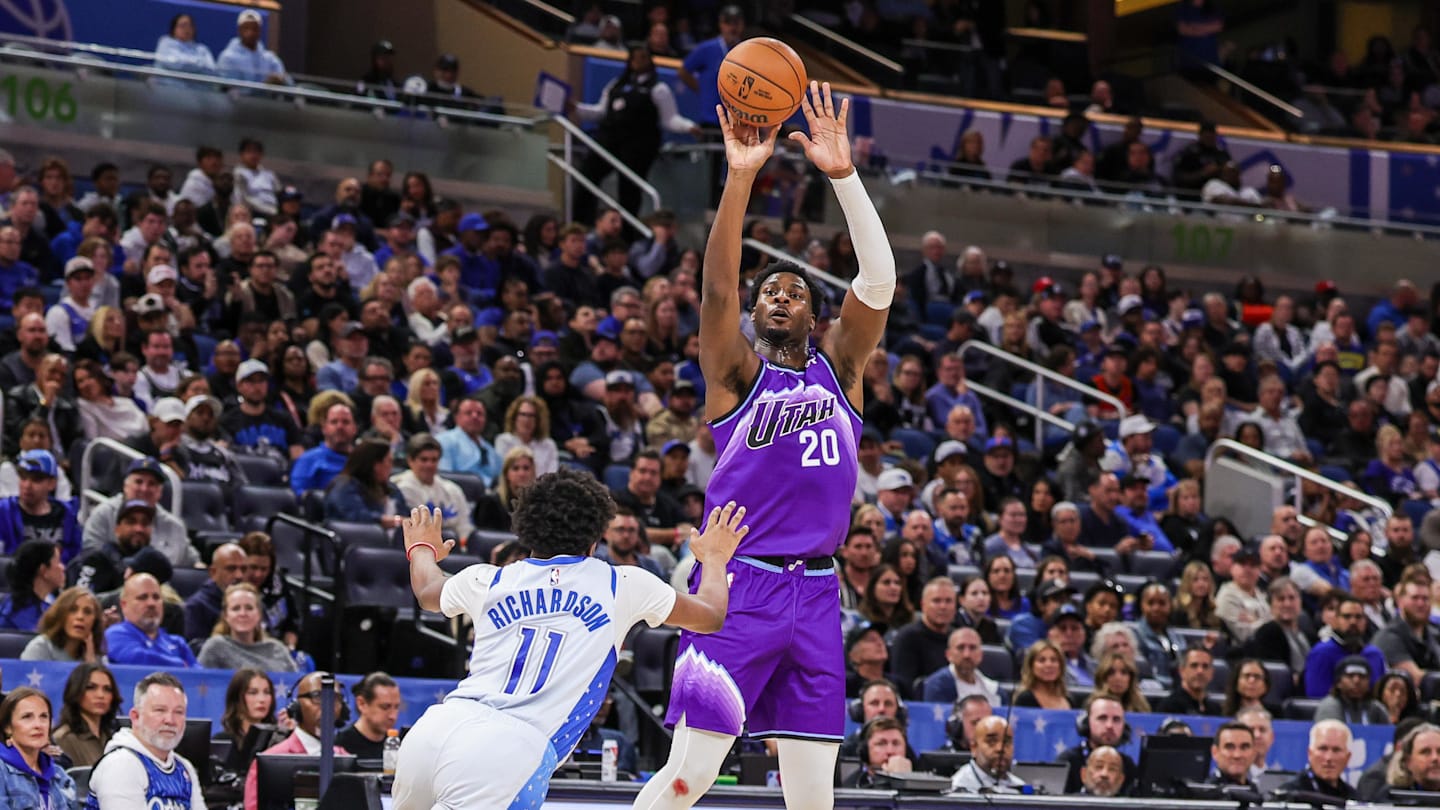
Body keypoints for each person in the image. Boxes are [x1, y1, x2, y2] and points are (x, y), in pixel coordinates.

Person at [638, 82, 894, 810]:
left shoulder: (841, 367)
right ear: (754, 316)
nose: (778, 297)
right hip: (736, 588)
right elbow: (716, 290)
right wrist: (741, 177)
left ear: (815, 314)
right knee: (688, 777)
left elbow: (879, 280)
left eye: (794, 292)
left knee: (815, 801)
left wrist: (842, 178)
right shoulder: (732, 376)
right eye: (766, 294)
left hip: (817, 591)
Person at [390, 472, 748, 808]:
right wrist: (715, 559)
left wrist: (422, 547)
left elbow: (427, 590)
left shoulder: (488, 580)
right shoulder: (622, 583)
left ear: (526, 529)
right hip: (506, 753)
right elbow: (710, 615)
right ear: (596, 535)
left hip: (433, 731)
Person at [571, 45, 698, 226]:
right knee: (588, 175)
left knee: (629, 190)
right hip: (610, 140)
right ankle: (581, 221)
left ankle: (627, 232)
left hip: (638, 146)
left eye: (643, 58)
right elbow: (600, 111)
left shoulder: (658, 89)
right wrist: (576, 109)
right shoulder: (616, 84)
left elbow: (669, 119)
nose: (638, 62)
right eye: (635, 58)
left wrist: (688, 127)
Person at [88, 673, 206, 809]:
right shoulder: (121, 764)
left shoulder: (185, 768)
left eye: (178, 712)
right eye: (160, 710)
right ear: (136, 717)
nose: (170, 720)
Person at [242, 670, 350, 809]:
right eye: (317, 696)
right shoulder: (272, 759)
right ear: (297, 706)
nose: (327, 705)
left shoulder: (344, 757)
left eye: (335, 698)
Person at [0, 687, 78, 809]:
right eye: (27, 717)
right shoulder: (2, 771)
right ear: (8, 727)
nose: (38, 725)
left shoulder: (60, 776)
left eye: (44, 716)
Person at [197, 583, 298, 672]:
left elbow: (296, 685)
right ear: (226, 616)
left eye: (249, 608)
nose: (243, 613)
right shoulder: (215, 647)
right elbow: (202, 685)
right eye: (236, 608)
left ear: (259, 614)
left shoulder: (277, 649)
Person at [105, 573, 197, 668]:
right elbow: (138, 659)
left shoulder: (177, 643)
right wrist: (181, 665)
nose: (151, 603)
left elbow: (200, 676)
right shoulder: (114, 634)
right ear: (124, 605)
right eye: (142, 597)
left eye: (156, 597)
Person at [1058, 695, 1136, 794]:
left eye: (1116, 720)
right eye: (1102, 718)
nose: (1109, 726)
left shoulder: (1127, 765)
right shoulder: (1068, 761)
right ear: (1086, 723)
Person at [52, 663, 121, 768]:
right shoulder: (63, 739)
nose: (100, 695)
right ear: (76, 691)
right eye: (91, 687)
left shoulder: (115, 738)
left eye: (107, 689)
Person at [1276, 719, 1357, 801]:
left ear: (1348, 757)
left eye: (1336, 750)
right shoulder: (1287, 796)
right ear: (1310, 753)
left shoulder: (1355, 800)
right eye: (1323, 749)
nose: (1329, 757)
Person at [182, 541, 247, 641]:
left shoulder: (254, 601)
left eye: (243, 569)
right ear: (213, 572)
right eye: (231, 568)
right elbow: (195, 648)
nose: (239, 575)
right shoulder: (197, 606)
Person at [922, 627, 1001, 705]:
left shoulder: (994, 690)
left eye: (972, 648)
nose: (967, 655)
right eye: (960, 648)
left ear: (981, 655)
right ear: (948, 654)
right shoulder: (937, 686)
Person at [335, 672, 400, 761]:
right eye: (385, 707)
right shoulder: (339, 747)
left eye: (396, 707)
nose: (393, 716)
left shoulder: (399, 746)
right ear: (362, 704)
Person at [0, 539, 63, 631]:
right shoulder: (18, 613)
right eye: (58, 562)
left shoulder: (51, 600)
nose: (63, 567)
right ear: (43, 570)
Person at [951, 716, 1025, 793]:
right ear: (974, 747)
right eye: (992, 741)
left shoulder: (1020, 787)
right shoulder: (958, 787)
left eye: (1006, 742)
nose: (1000, 748)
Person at [217, 10, 288, 85]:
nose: (250, 32)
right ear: (239, 30)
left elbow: (287, 82)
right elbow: (230, 91)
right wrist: (265, 86)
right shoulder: (227, 58)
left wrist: (281, 80)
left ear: (260, 31)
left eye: (255, 29)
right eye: (246, 28)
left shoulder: (270, 59)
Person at [841, 716, 913, 789]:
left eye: (896, 743)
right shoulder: (852, 787)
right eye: (881, 743)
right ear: (865, 751)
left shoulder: (921, 783)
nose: (890, 751)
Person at [1315, 655, 1390, 724]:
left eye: (1362, 676)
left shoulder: (1376, 709)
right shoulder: (1330, 706)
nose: (1356, 681)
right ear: (1338, 683)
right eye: (1350, 676)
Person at [1209, 722, 1257, 788]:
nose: (1237, 755)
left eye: (1244, 747)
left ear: (1254, 753)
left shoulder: (1256, 792)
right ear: (1215, 752)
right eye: (1229, 747)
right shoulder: (1203, 794)